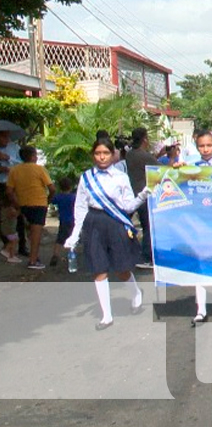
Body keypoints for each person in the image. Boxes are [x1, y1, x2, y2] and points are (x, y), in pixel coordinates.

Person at [64, 138, 150, 330]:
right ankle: (106, 316)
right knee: (98, 269)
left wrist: (143, 195)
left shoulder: (120, 177)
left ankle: (136, 293)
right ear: (93, 155)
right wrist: (74, 234)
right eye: (97, 153)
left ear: (113, 155)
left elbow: (127, 206)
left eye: (105, 153)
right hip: (94, 224)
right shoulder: (86, 178)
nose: (102, 157)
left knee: (121, 269)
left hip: (116, 223)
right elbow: (80, 207)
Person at [174, 131, 212, 326]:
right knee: (199, 264)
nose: (205, 149)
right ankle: (201, 309)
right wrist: (176, 170)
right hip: (199, 222)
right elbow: (176, 184)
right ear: (197, 147)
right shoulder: (192, 167)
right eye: (201, 146)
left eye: (209, 145)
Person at [6, 145, 55, 270]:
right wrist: (48, 200)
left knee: (29, 232)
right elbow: (52, 188)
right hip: (39, 204)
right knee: (36, 233)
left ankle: (34, 257)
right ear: (33, 156)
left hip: (23, 204)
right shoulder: (39, 169)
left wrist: (17, 204)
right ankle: (33, 261)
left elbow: (9, 191)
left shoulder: (14, 170)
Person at [125, 127, 157, 268]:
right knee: (148, 227)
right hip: (145, 195)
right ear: (145, 139)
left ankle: (129, 251)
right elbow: (162, 169)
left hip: (132, 193)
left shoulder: (129, 154)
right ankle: (146, 257)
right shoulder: (145, 156)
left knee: (125, 222)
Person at [0, 126, 27, 256]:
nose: (7, 139)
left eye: (8, 136)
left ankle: (22, 245)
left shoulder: (13, 148)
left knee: (17, 213)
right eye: (4, 136)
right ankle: (7, 243)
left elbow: (22, 164)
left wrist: (8, 159)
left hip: (11, 183)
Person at [49, 177, 76, 267]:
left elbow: (51, 201)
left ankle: (55, 255)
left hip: (63, 221)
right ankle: (71, 256)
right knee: (73, 238)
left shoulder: (58, 197)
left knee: (59, 239)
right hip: (72, 221)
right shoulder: (73, 197)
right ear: (70, 187)